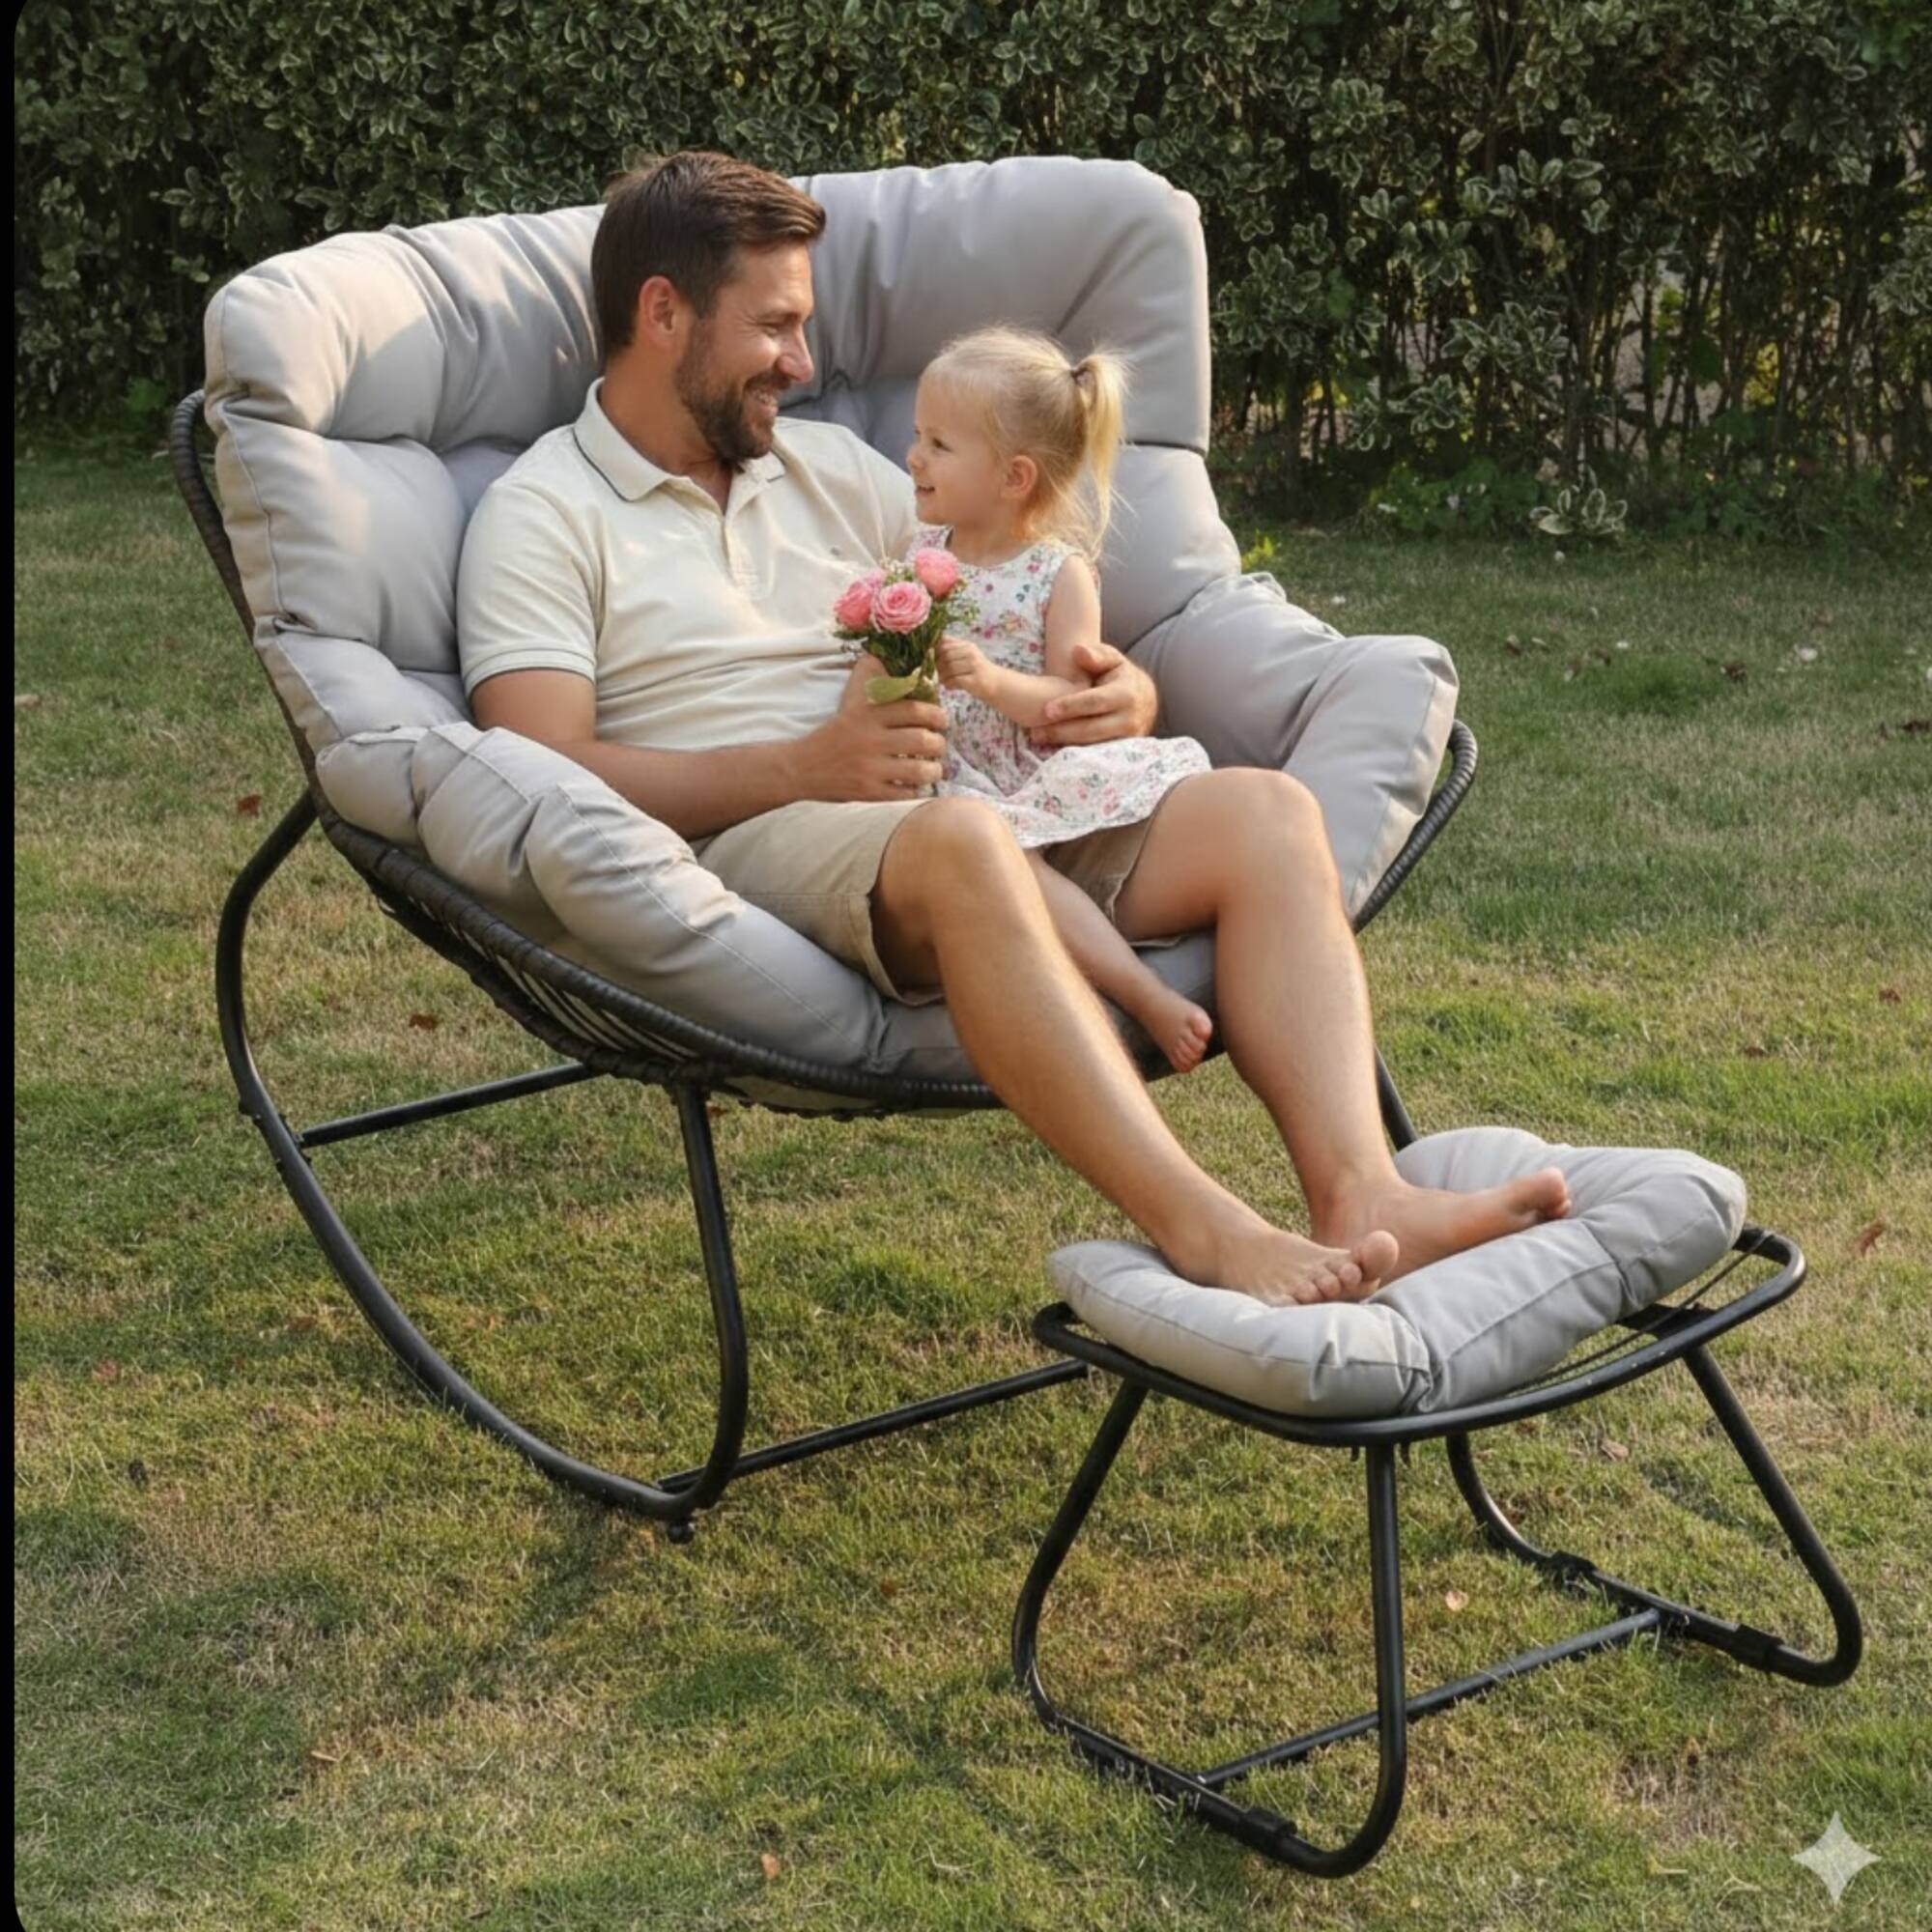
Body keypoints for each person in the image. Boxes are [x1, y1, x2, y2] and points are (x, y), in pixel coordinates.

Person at [457, 150, 1571, 1309]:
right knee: (960, 839)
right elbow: (540, 771)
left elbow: (1016, 574)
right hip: (759, 832)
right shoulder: (544, 514)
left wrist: (1118, 688)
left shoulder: (827, 469)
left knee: (1266, 814)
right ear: (661, 312)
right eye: (776, 326)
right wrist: (802, 765)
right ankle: (1206, 1230)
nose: (803, 361)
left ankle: (1364, 1194)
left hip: (966, 789)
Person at [905, 326, 1215, 1072]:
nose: (913, 457)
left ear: (1014, 477)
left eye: (939, 445)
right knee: (1000, 863)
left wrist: (988, 680)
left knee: (1023, 872)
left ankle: (1142, 995)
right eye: (917, 437)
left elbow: (1070, 697)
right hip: (948, 777)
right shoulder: (924, 558)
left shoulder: (1056, 571)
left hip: (1020, 768)